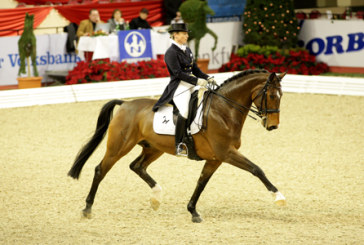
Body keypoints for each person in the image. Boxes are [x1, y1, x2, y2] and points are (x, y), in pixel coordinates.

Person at [152, 23, 216, 157]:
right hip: (179, 86)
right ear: (175, 35)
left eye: (187, 33)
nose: (187, 36)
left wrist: (207, 77)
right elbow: (177, 73)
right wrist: (197, 81)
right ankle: (179, 144)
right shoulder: (171, 53)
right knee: (185, 111)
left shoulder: (187, 50)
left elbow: (195, 70)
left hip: (191, 83)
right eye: (184, 33)